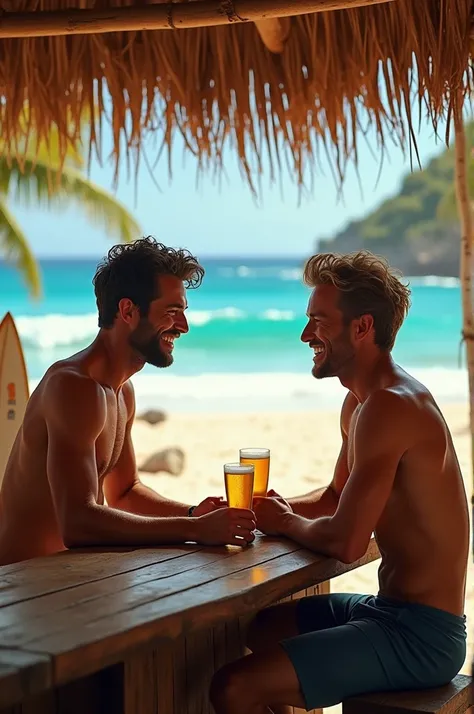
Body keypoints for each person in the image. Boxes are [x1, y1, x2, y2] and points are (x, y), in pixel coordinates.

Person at [210, 251, 469, 714]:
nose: (306, 334)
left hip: (422, 636)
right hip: (386, 609)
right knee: (259, 629)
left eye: (318, 321)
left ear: (362, 327)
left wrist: (286, 522)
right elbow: (333, 497)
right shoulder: (360, 403)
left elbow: (349, 541)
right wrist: (273, 509)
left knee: (234, 688)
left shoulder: (391, 406)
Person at [0, 238, 255, 565]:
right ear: (128, 311)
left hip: (71, 583)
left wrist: (194, 512)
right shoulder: (73, 387)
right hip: (23, 591)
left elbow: (125, 493)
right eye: (172, 312)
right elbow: (77, 524)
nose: (184, 327)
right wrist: (194, 528)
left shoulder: (122, 391)